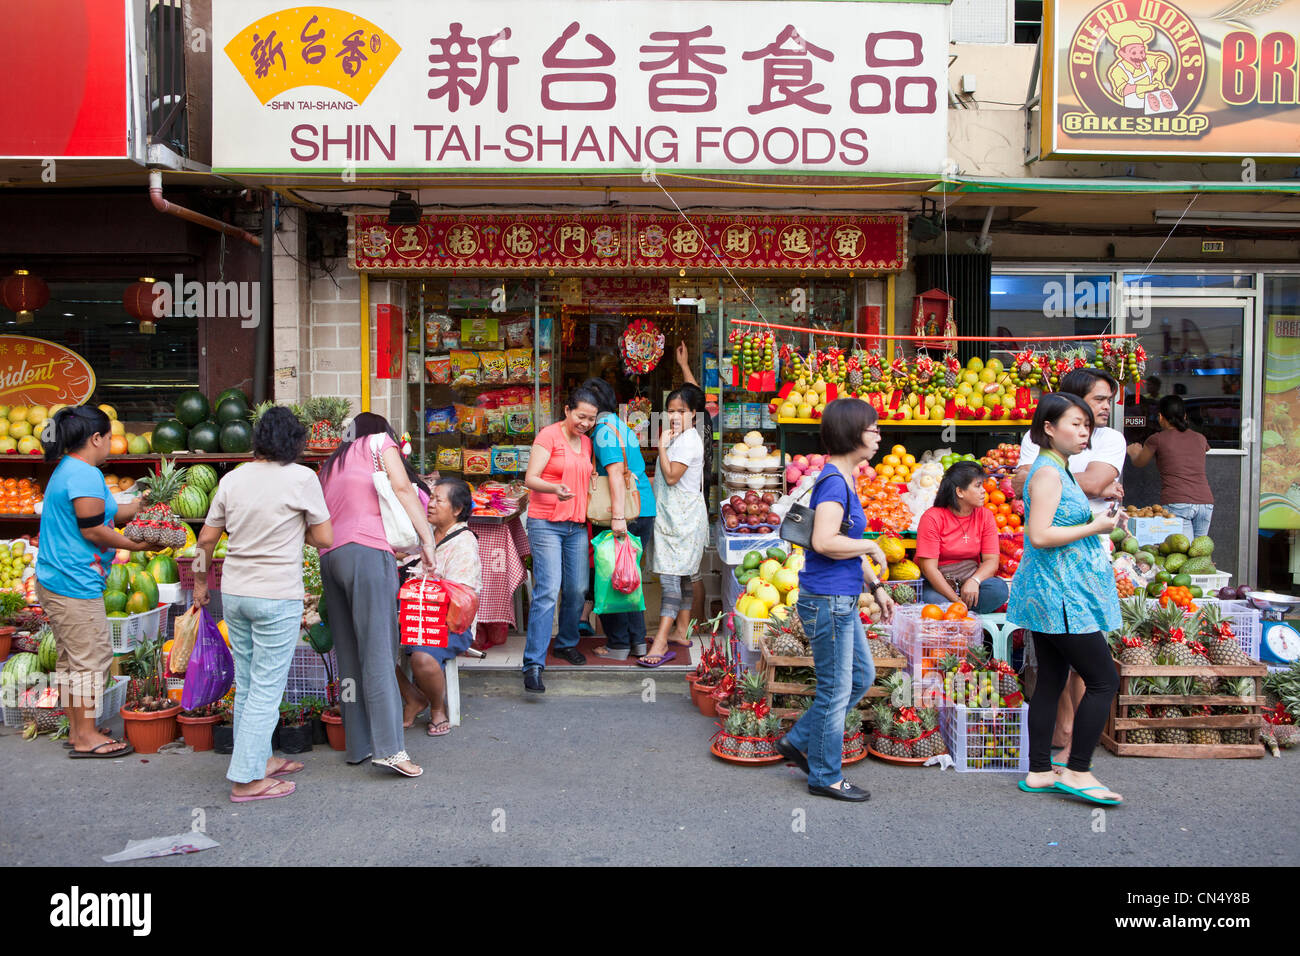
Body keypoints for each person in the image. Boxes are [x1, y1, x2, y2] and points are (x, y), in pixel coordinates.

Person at [194, 406, 333, 802]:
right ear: (296, 443)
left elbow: (205, 541)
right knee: (267, 687)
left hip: (236, 594)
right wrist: (293, 533)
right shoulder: (302, 478)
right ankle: (246, 779)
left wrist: (202, 584)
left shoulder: (233, 479)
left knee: (251, 682)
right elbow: (324, 538)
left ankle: (261, 759)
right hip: (276, 595)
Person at [776, 399, 895, 802]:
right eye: (872, 427)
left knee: (859, 678)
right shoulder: (833, 483)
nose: (878, 433)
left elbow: (840, 543)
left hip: (840, 597)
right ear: (851, 432)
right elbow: (825, 541)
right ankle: (825, 776)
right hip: (827, 600)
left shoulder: (844, 479)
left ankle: (797, 740)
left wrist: (875, 586)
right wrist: (872, 545)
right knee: (835, 689)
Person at [1009, 393, 1124, 806]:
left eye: (1086, 425)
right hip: (1061, 596)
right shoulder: (1047, 474)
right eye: (1075, 423)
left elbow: (1061, 523)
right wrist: (1094, 527)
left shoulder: (1060, 469)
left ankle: (1040, 770)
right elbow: (1039, 536)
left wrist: (1101, 522)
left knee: (1053, 680)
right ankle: (1077, 770)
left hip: (1055, 593)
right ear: (1048, 428)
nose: (1083, 431)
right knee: (1103, 679)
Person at [318, 413, 434, 778]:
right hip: (367, 554)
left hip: (330, 558)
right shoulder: (379, 444)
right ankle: (391, 750)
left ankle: (358, 744)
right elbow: (401, 489)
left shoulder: (330, 464)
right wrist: (427, 539)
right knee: (379, 652)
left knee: (349, 657)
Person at [36, 406, 150, 759]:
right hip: (72, 580)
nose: (111, 445)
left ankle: (79, 730)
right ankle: (85, 737)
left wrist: (146, 504)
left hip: (61, 577)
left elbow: (109, 513)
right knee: (90, 660)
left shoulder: (74, 470)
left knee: (73, 661)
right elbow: (93, 529)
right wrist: (137, 544)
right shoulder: (83, 475)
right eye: (108, 438)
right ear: (96, 438)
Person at [522, 386, 599, 693]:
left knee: (578, 589)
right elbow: (530, 478)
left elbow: (585, 476)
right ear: (567, 410)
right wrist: (555, 489)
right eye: (581, 416)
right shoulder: (548, 436)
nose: (585, 423)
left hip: (576, 525)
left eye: (591, 419)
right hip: (546, 524)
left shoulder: (587, 443)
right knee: (548, 590)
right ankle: (533, 663)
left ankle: (566, 642)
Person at [585, 377, 656, 660]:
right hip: (641, 507)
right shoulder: (618, 423)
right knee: (629, 576)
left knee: (612, 575)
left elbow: (615, 472)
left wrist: (617, 518)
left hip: (624, 511)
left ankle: (617, 644)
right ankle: (637, 642)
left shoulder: (602, 430)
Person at [640, 384, 711, 667]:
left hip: (682, 520)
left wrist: (661, 448)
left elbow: (671, 477)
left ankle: (660, 641)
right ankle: (681, 632)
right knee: (682, 577)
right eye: (670, 411)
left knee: (671, 578)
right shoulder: (681, 438)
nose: (674, 416)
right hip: (676, 517)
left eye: (681, 411)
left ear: (693, 413)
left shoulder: (689, 441)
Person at [404, 477, 480, 737]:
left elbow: (461, 596)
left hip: (449, 622)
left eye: (439, 500)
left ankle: (437, 708)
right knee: (372, 644)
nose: (431, 504)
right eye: (431, 498)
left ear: (457, 509)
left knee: (422, 658)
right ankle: (413, 697)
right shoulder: (422, 533)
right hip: (413, 615)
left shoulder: (464, 541)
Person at [915, 461, 1009, 614]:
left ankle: (960, 614)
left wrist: (974, 581)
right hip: (938, 585)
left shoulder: (985, 516)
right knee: (935, 604)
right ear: (960, 492)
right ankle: (963, 612)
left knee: (998, 590)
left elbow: (992, 561)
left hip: (969, 582)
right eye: (978, 486)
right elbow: (929, 568)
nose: (984, 491)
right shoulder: (932, 517)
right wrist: (956, 601)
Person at [1126, 394, 1213, 539]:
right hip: (1205, 502)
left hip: (1178, 502)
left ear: (1160, 417)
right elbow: (1201, 450)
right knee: (1200, 553)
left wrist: (1134, 452)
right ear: (1185, 416)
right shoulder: (1200, 438)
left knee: (1181, 554)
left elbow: (1139, 462)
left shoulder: (1157, 439)